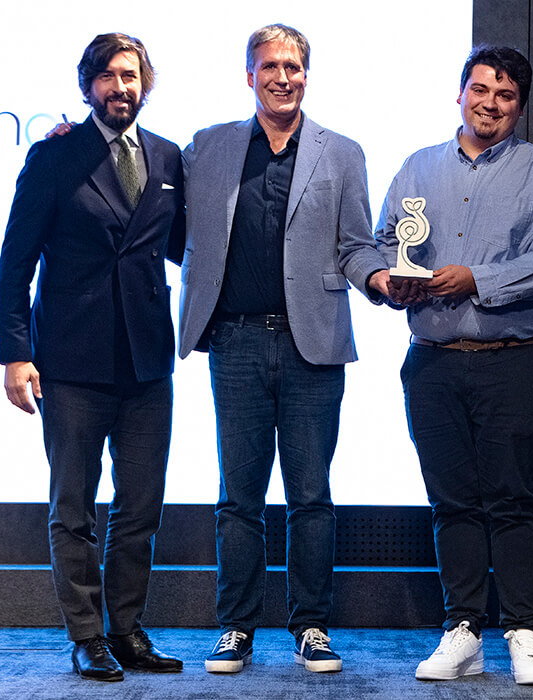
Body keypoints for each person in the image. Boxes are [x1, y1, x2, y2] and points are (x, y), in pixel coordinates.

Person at [176, 24, 391, 674]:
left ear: (306, 74)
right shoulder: (207, 147)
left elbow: (356, 244)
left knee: (310, 494)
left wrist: (380, 281)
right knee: (238, 496)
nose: (282, 77)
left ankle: (311, 626)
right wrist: (73, 139)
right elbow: (159, 203)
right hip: (235, 340)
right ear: (250, 76)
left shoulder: (342, 152)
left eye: (293, 66)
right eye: (270, 66)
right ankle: (236, 628)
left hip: (312, 344)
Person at [375, 45, 533, 686]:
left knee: (513, 501)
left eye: (506, 95)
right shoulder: (417, 166)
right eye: (481, 90)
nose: (490, 104)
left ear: (520, 106)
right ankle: (462, 632)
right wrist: (391, 280)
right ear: (460, 93)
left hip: (512, 361)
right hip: (432, 363)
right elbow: (386, 242)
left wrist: (477, 279)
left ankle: (525, 632)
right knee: (452, 501)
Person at [0, 32, 185, 682]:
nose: (120, 87)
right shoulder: (54, 155)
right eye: (107, 76)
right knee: (73, 509)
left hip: (147, 362)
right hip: (71, 362)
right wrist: (15, 353)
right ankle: (87, 636)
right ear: (88, 86)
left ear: (144, 84)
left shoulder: (168, 157)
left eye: (130, 76)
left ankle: (126, 630)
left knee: (141, 508)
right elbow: (15, 262)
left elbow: (186, 246)